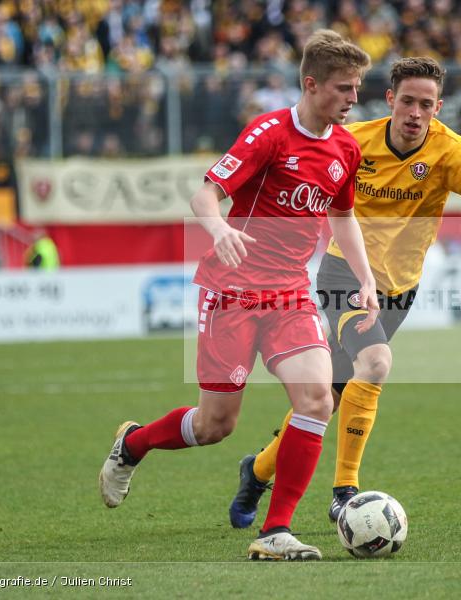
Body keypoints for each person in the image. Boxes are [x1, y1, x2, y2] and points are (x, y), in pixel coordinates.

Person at [98, 30, 377, 561]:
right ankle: (133, 444)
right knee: (214, 425)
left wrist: (363, 277)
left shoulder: (345, 148)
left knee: (318, 398)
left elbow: (342, 215)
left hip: (290, 293)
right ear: (312, 84)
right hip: (231, 292)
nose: (353, 99)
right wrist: (220, 230)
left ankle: (276, 530)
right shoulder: (268, 133)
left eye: (358, 88)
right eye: (344, 88)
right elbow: (206, 194)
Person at [228, 56, 461, 528]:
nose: (415, 113)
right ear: (389, 100)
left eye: (426, 104)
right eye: (407, 101)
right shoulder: (352, 142)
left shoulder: (452, 152)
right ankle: (345, 491)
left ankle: (257, 469)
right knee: (376, 363)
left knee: (333, 393)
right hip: (345, 275)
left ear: (438, 107)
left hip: (400, 290)